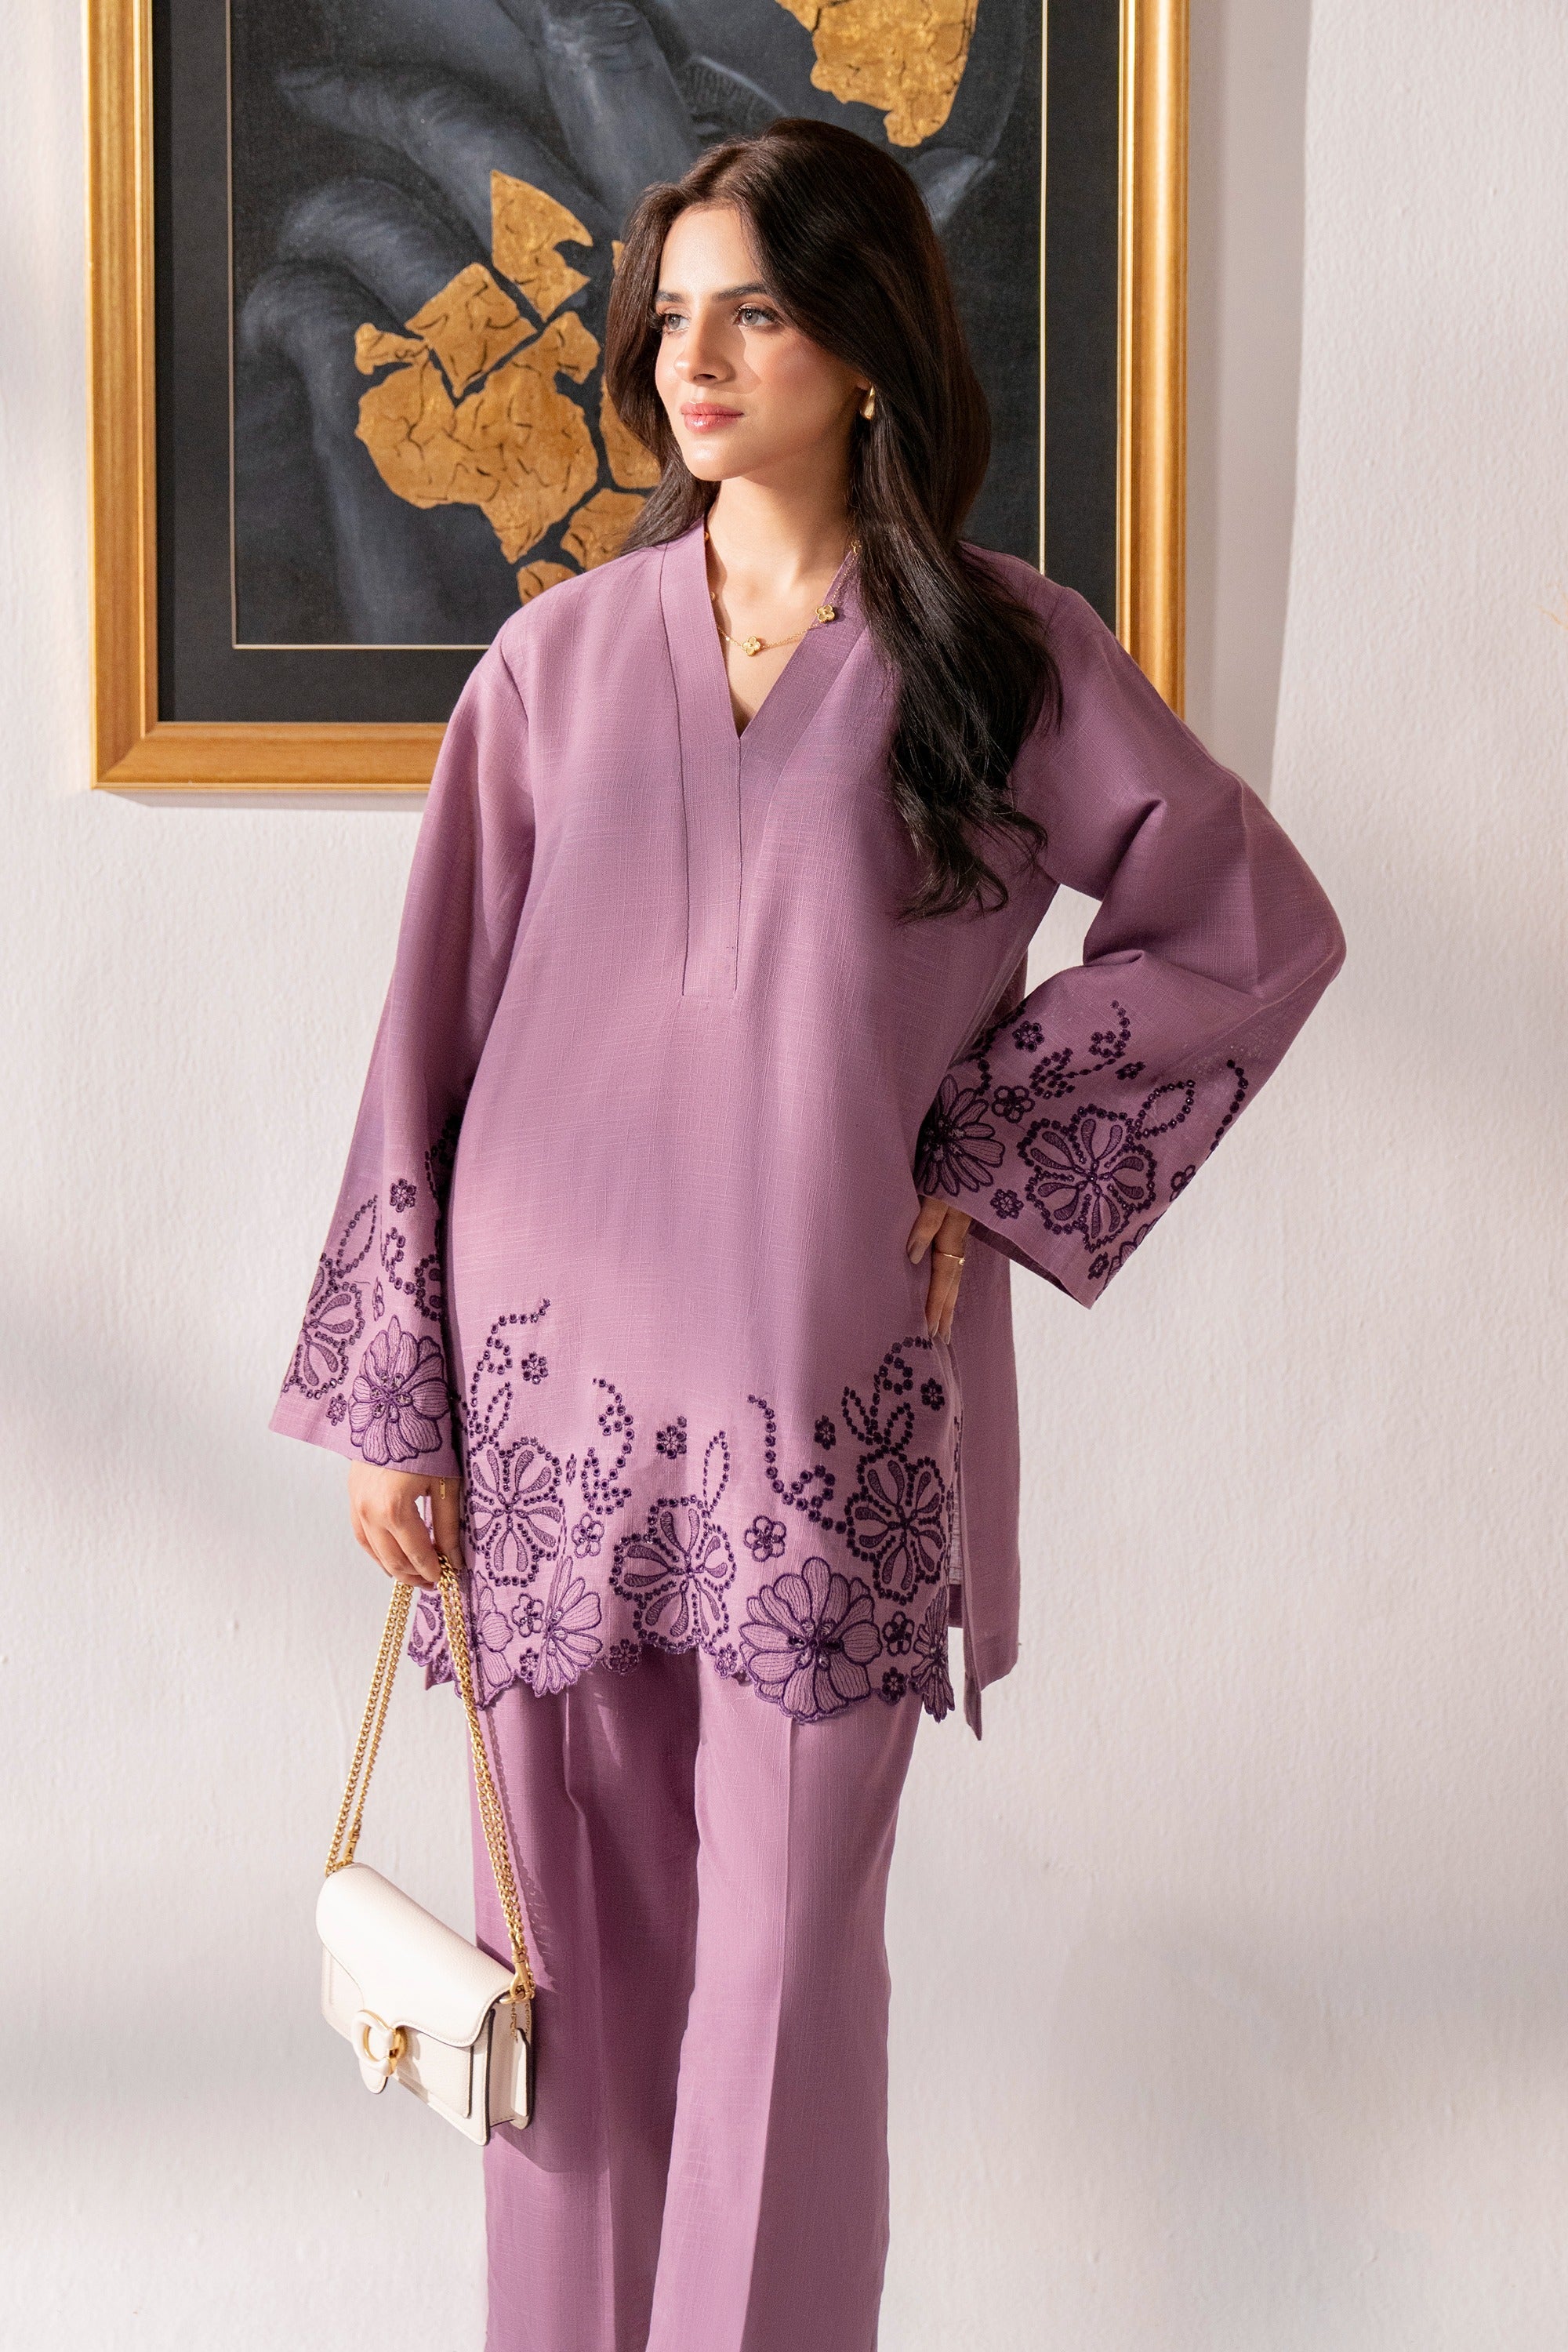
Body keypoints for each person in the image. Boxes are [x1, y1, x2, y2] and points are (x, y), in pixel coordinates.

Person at [271, 117, 1344, 2352]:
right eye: (672, 314)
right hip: (540, 1406)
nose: (694, 358)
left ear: (863, 346)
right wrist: (393, 1399)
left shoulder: (1008, 659)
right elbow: (429, 1034)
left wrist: (988, 1150)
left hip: (814, 1387)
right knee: (563, 1987)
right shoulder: (555, 664)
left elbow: (1246, 927)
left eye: (752, 311)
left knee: (781, 1982)